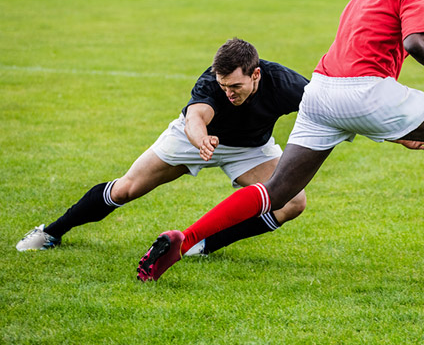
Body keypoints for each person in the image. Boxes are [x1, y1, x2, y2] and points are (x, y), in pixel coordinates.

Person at [136, 0, 424, 281]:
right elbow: (417, 43)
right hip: (365, 90)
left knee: (277, 191)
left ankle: (185, 237)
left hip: (320, 92)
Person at [16, 38, 309, 258]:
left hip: (250, 149)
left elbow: (320, 110)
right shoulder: (211, 82)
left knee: (293, 203)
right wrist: (201, 140)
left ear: (255, 75)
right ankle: (51, 232)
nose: (228, 93)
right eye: (223, 86)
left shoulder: (285, 83)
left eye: (235, 86)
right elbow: (196, 117)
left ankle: (202, 246)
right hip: (194, 140)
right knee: (126, 189)